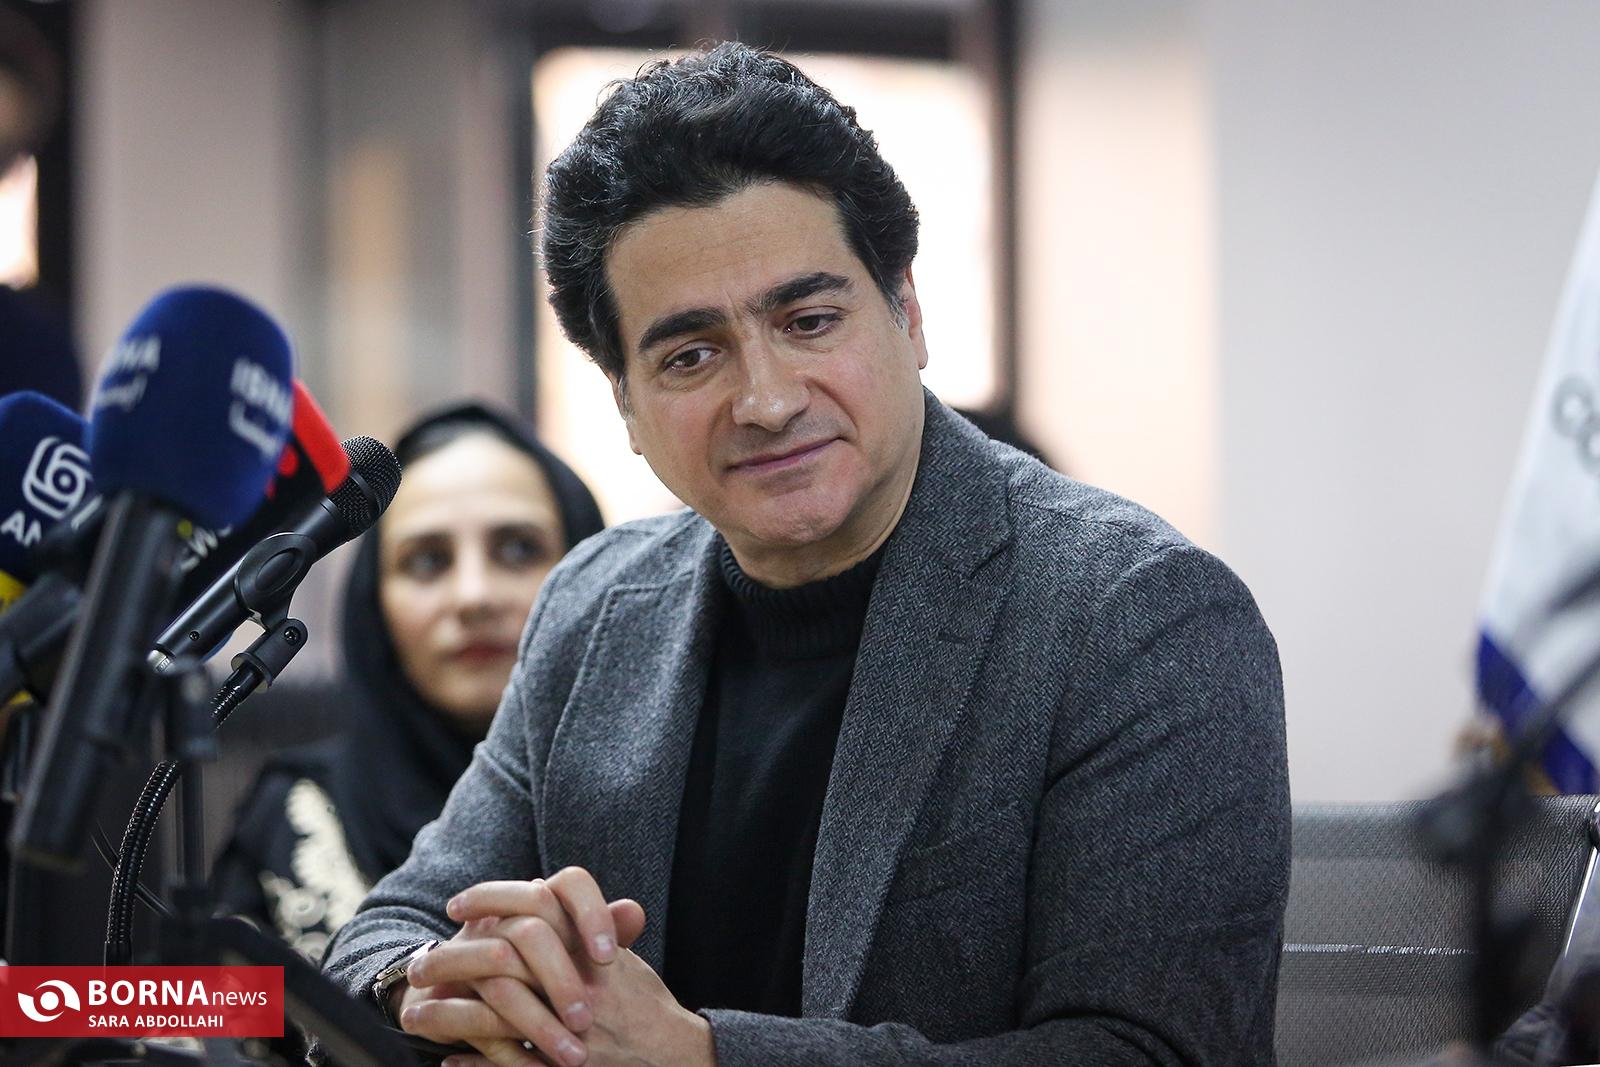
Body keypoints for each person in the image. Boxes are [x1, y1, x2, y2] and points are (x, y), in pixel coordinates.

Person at [322, 43, 1290, 1067]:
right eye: (691, 354)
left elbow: (1152, 1052)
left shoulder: (1137, 615)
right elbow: (383, 935)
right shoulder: (594, 606)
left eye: (809, 319)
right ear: (627, 407)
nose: (768, 399)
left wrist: (701, 1056)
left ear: (908, 313)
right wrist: (442, 986)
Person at [212, 402, 605, 962]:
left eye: (519, 549)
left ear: (593, 570)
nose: (473, 596)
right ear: (374, 604)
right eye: (426, 561)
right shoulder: (298, 813)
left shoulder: (676, 786)